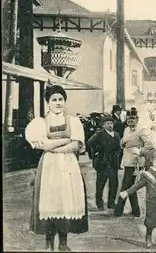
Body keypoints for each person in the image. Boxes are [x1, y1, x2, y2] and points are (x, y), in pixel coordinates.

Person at [25, 85, 88, 252]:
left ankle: (63, 243)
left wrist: (53, 146)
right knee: (49, 201)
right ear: (48, 103)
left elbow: (75, 144)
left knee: (66, 201)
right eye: (54, 100)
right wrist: (64, 139)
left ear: (65, 101)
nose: (58, 102)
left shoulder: (74, 121)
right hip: (49, 165)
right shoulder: (41, 123)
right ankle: (48, 244)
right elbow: (43, 144)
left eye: (61, 99)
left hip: (68, 163)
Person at [114, 109, 156, 217]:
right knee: (130, 185)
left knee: (125, 184)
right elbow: (123, 142)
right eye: (128, 119)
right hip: (127, 159)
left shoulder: (141, 130)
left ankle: (118, 210)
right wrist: (122, 143)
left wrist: (140, 152)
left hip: (135, 162)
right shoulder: (126, 129)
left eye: (132, 118)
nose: (130, 120)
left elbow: (150, 145)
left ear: (137, 119)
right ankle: (136, 210)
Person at [86, 114, 121, 211]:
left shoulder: (116, 135)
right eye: (107, 123)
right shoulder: (99, 133)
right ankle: (99, 203)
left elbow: (118, 148)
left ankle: (111, 202)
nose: (110, 125)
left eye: (111, 123)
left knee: (114, 183)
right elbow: (90, 142)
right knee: (101, 183)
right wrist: (98, 150)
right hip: (103, 162)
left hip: (113, 163)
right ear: (103, 125)